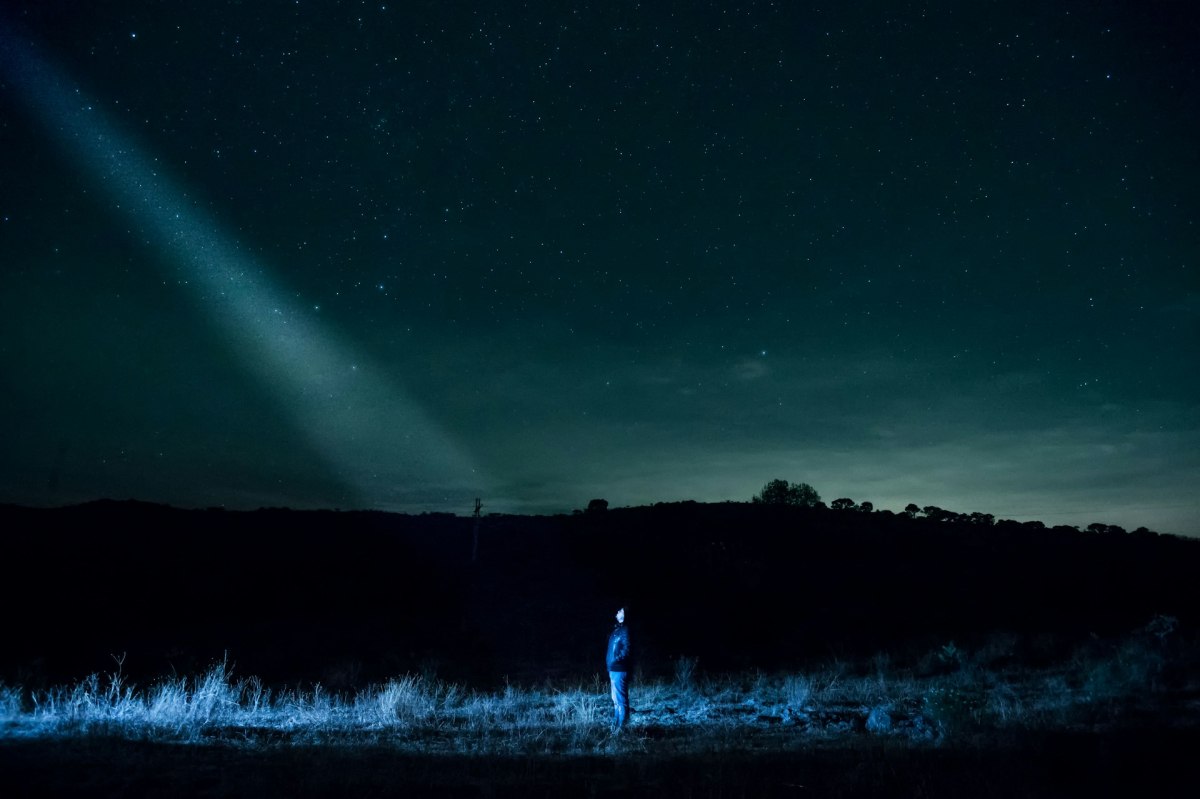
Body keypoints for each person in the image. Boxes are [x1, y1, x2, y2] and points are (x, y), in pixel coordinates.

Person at [606, 606, 631, 732]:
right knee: (615, 700)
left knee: (621, 700)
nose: (617, 612)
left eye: (620, 610)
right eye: (617, 610)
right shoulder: (617, 629)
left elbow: (626, 650)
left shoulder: (625, 629)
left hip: (619, 669)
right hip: (613, 669)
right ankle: (616, 727)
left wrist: (616, 659)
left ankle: (623, 730)